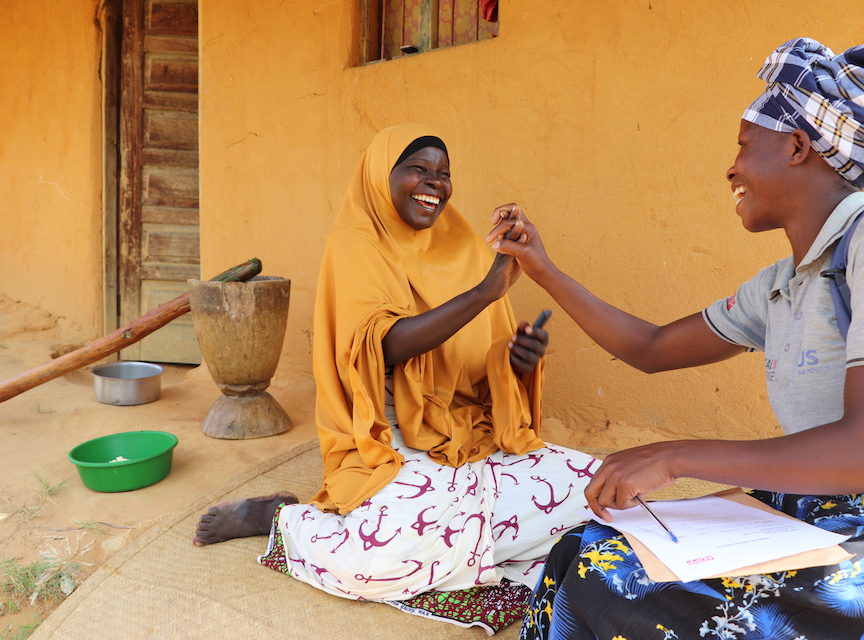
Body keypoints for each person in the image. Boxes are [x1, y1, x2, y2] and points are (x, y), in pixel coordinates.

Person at [487, 36, 864, 638]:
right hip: (815, 512)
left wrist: (676, 456)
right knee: (582, 549)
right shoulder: (782, 285)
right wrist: (543, 270)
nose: (731, 168)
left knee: (616, 585)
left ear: (798, 146)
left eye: (743, 145)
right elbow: (651, 348)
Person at [192, 124, 598, 633]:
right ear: (383, 176)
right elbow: (380, 345)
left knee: (598, 490)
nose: (434, 184)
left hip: (466, 438)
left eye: (444, 174)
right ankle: (285, 522)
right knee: (374, 559)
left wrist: (517, 359)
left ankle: (460, 542)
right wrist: (482, 295)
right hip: (385, 439)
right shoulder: (355, 243)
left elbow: (479, 370)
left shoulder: (466, 248)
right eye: (418, 170)